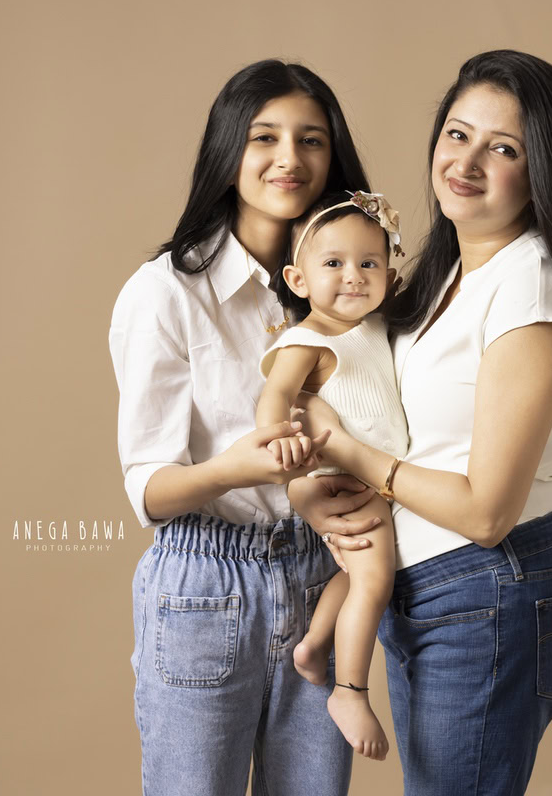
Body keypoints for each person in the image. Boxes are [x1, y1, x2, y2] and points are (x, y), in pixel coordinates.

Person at [289, 50, 552, 796]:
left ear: (543, 170)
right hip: (430, 587)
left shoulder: (531, 292)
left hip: (484, 583)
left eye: (504, 148)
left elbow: (487, 512)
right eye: (458, 134)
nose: (467, 161)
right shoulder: (452, 273)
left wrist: (355, 460)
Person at [108, 59, 378, 796]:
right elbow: (150, 491)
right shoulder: (166, 294)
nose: (289, 159)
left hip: (320, 575)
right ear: (228, 149)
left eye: (312, 140)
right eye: (265, 137)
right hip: (206, 583)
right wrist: (239, 468)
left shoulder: (348, 287)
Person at [255, 189, 408, 761]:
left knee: (358, 569)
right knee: (374, 580)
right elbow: (274, 399)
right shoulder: (307, 340)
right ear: (297, 280)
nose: (354, 276)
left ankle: (315, 645)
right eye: (334, 264)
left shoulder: (371, 329)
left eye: (369, 264)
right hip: (336, 478)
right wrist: (284, 447)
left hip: (368, 479)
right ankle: (349, 690)